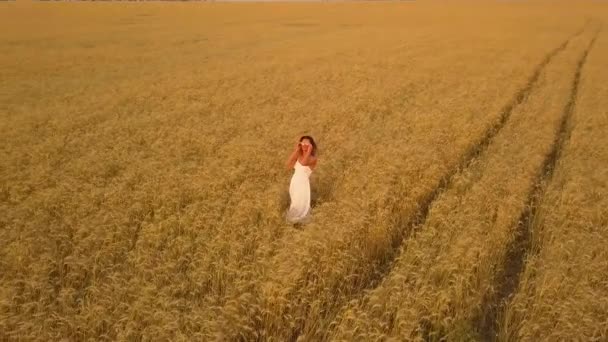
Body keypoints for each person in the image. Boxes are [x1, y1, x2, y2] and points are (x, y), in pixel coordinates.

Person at [285, 135, 318, 224]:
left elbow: (303, 163)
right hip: (294, 183)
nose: (304, 145)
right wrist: (296, 150)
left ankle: (300, 223)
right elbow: (288, 164)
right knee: (294, 202)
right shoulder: (298, 155)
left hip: (303, 185)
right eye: (302, 143)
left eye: (307, 143)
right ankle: (292, 223)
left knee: (301, 203)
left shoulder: (313, 159)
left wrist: (309, 150)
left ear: (311, 145)